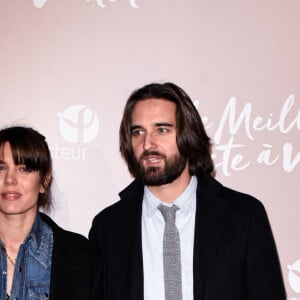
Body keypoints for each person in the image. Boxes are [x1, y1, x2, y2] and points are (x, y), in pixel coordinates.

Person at [89, 82, 286, 299]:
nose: (147, 144)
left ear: (187, 134)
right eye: (138, 132)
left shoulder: (243, 216)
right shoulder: (107, 228)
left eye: (162, 130)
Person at [0, 126, 96, 300]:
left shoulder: (82, 256)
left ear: (44, 181)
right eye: (1, 168)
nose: (9, 179)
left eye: (24, 169)